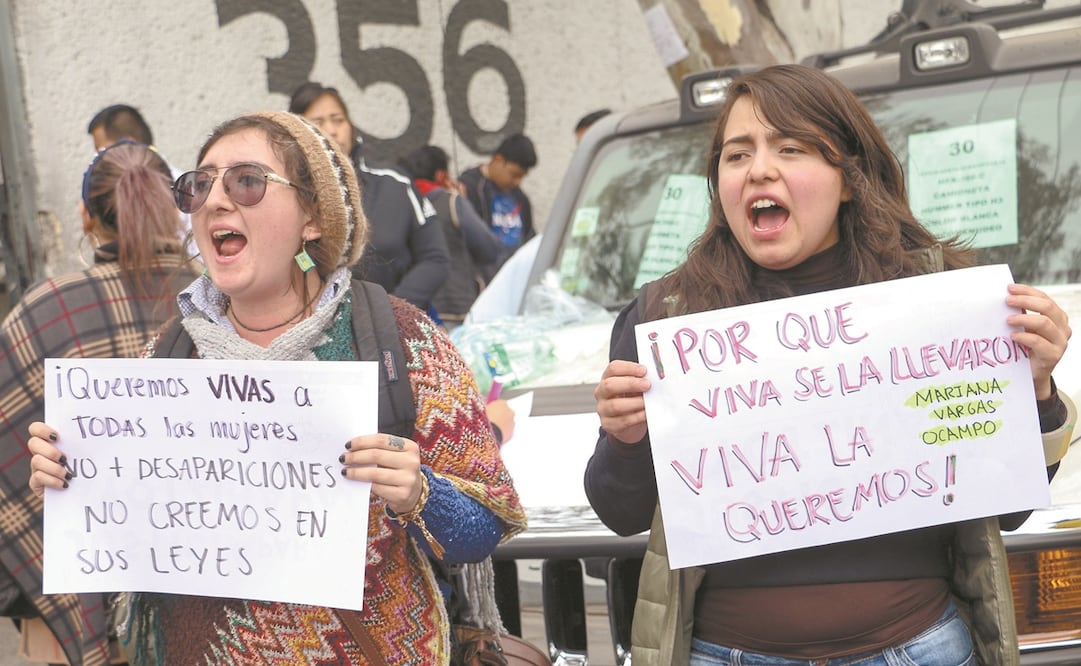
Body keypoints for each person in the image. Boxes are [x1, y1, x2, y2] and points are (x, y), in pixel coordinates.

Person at [585, 64, 1075, 666]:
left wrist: (1037, 389)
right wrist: (625, 438)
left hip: (918, 650)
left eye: (790, 148)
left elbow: (1009, 508)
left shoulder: (942, 300)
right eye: (738, 155)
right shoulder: (668, 316)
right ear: (720, 184)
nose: (760, 168)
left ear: (848, 179)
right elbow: (620, 512)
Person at [26, 111, 526, 665]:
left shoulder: (400, 341)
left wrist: (421, 493)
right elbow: (124, 533)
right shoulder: (170, 358)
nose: (215, 199)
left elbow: (484, 531)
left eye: (246, 181)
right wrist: (71, 475)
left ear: (313, 217)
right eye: (200, 184)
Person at [0, 140, 196, 660]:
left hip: (76, 592)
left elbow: (9, 452)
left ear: (86, 218)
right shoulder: (224, 301)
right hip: (204, 597)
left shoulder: (46, 310)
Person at [288, 82, 449, 311]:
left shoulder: (395, 183)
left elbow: (435, 258)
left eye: (338, 119)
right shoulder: (286, 195)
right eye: (318, 122)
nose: (332, 130)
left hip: (393, 326)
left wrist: (390, 310)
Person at [398, 144, 502, 330]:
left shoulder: (402, 203)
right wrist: (462, 202)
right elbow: (489, 248)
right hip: (455, 310)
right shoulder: (451, 202)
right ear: (440, 175)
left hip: (413, 311)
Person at [459, 133, 537, 281]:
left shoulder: (519, 197)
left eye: (522, 177)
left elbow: (529, 236)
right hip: (484, 280)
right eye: (514, 175)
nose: (517, 182)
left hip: (517, 277)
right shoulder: (469, 189)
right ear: (498, 159)